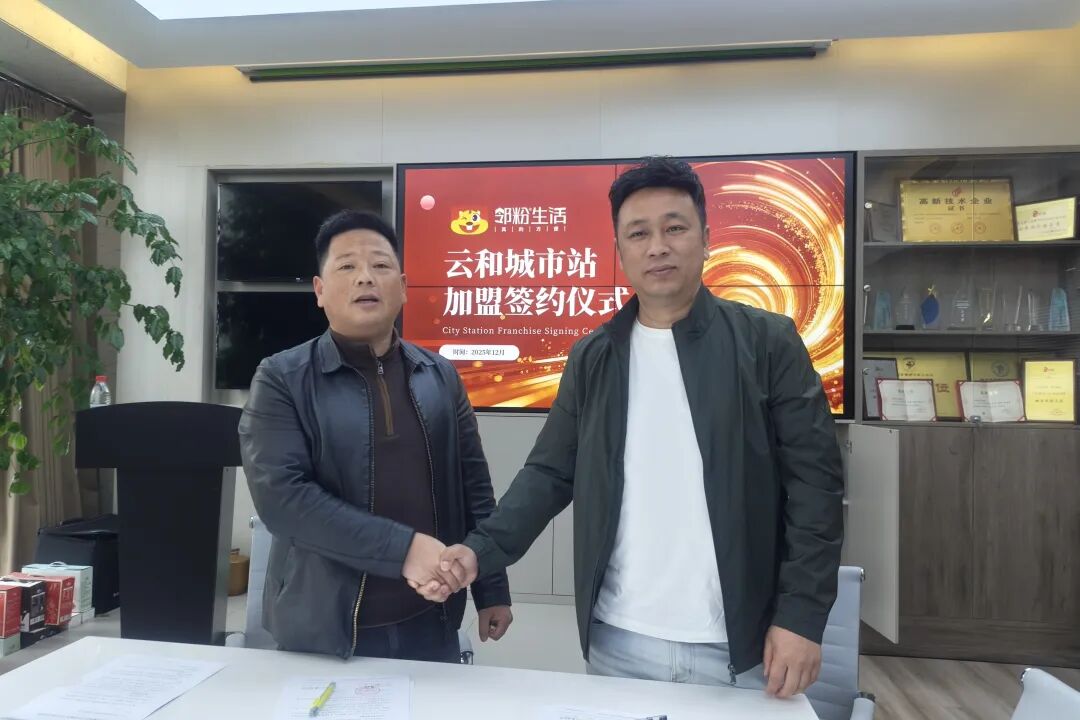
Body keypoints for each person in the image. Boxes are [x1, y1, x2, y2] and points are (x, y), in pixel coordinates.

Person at [413, 157, 843, 697]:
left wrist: (801, 616)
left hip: (745, 645)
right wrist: (480, 550)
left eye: (675, 228)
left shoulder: (767, 343)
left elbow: (815, 486)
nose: (657, 246)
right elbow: (548, 474)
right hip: (619, 642)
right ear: (620, 252)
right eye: (638, 233)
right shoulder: (594, 357)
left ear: (706, 239)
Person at [239, 210, 512, 662]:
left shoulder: (439, 375)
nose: (365, 276)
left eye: (380, 265)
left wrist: (492, 587)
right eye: (347, 266)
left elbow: (474, 488)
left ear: (402, 287)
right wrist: (404, 550)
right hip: (323, 631)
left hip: (432, 620)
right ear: (320, 291)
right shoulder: (281, 378)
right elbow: (282, 500)